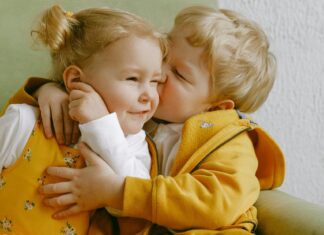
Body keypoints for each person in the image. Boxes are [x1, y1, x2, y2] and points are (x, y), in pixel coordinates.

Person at [5, 5, 285, 235]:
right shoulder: (146, 116)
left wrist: (116, 192)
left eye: (179, 73)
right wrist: (52, 89)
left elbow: (215, 204)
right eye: (164, 55)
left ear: (216, 108)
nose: (159, 73)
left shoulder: (231, 143)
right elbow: (97, 88)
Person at [0, 4, 167, 235]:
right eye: (132, 78)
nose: (149, 95)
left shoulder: (133, 143)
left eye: (155, 81)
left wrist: (102, 124)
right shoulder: (25, 122)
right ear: (76, 79)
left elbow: (138, 200)